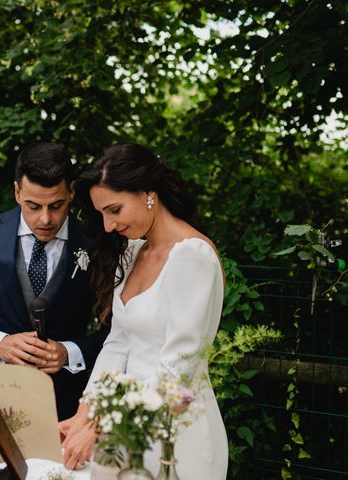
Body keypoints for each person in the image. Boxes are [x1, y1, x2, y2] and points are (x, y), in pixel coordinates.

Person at [60, 143, 228, 478]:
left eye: (115, 210)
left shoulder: (192, 256)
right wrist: (85, 411)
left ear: (148, 193)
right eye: (102, 214)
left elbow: (177, 370)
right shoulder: (132, 252)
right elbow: (118, 343)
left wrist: (100, 426)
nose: (108, 226)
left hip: (175, 432)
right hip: (123, 430)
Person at [0, 143, 109, 420]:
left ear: (72, 192)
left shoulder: (96, 242)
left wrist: (69, 352)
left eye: (56, 205)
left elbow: (115, 330)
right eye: (33, 205)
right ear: (17, 192)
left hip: (64, 405)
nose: (45, 219)